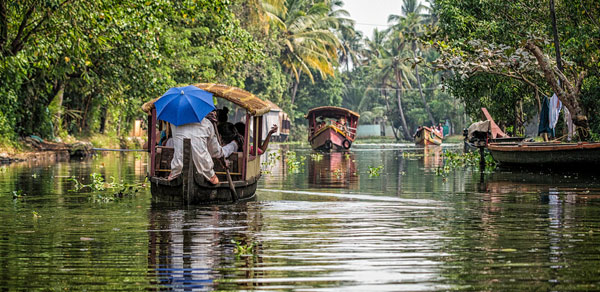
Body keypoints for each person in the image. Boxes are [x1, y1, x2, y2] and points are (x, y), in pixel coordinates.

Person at [168, 111, 237, 185]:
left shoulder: (174, 123)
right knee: (215, 181)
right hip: (204, 170)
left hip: (177, 170)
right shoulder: (207, 123)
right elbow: (215, 151)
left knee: (172, 177)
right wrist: (222, 160)